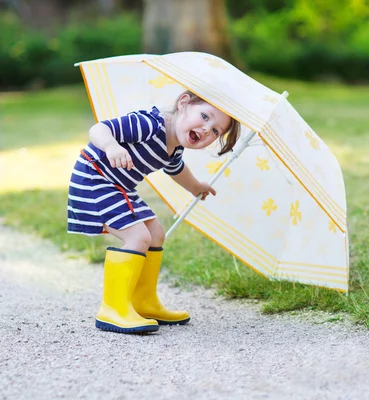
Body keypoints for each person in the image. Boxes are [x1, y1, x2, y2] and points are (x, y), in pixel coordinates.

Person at [67, 90, 241, 334]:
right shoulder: (149, 124)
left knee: (156, 233)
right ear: (184, 103)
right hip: (95, 179)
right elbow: (99, 129)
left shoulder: (175, 147)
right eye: (204, 116)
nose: (205, 129)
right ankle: (112, 308)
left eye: (215, 131)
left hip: (120, 187)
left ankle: (143, 302)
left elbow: (177, 169)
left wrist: (196, 187)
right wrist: (111, 146)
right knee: (138, 237)